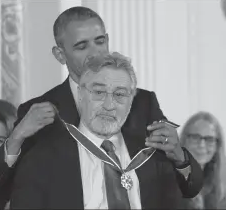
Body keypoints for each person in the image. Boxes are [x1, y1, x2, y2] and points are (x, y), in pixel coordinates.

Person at [0, 6, 203, 203]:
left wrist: (179, 156)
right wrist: (16, 138)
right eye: (81, 46)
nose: (96, 52)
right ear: (60, 55)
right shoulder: (39, 111)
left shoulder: (142, 103)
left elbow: (190, 189)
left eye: (100, 41)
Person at [10, 52, 185, 209]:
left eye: (120, 94)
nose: (109, 106)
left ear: (131, 100)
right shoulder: (41, 160)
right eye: (99, 93)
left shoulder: (152, 157)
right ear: (80, 94)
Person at [180, 111, 226, 209]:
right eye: (195, 137)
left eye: (209, 139)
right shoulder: (169, 179)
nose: (202, 145)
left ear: (217, 146)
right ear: (184, 140)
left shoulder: (221, 181)